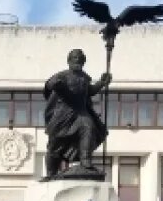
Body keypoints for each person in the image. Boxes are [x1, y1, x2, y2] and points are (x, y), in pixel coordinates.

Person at [41, 48, 111, 178]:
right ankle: (50, 173)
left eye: (80, 58)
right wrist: (56, 84)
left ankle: (85, 161)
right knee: (54, 145)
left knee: (88, 127)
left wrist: (102, 83)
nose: (77, 60)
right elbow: (50, 83)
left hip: (80, 112)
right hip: (63, 115)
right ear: (69, 60)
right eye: (74, 58)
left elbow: (89, 91)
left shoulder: (84, 78)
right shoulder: (63, 75)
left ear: (83, 61)